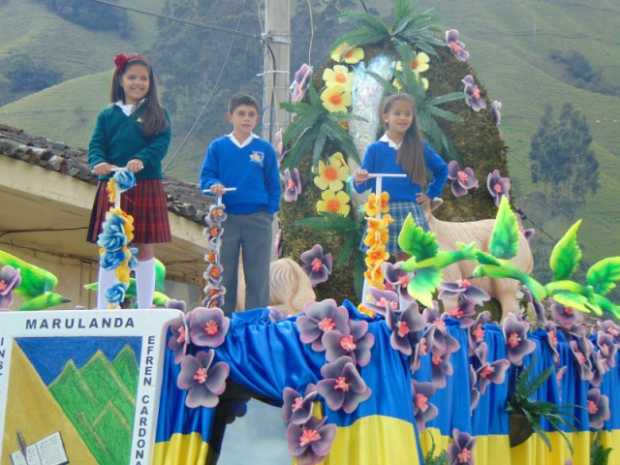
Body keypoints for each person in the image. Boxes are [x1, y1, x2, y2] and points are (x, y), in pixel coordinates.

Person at [87, 53, 171, 309]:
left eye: (144, 78)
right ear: (121, 80)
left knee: (145, 247)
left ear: (150, 83)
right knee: (110, 247)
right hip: (113, 187)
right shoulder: (107, 115)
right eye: (132, 77)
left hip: (145, 184)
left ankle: (144, 308)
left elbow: (161, 144)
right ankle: (104, 308)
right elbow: (96, 145)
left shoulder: (158, 114)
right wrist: (98, 162)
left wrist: (140, 159)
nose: (138, 83)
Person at [199, 94, 281, 313]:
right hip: (226, 219)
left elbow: (274, 183)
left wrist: (269, 211)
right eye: (241, 114)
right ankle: (223, 323)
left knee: (258, 275)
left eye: (252, 115)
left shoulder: (264, 149)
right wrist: (214, 184)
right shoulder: (218, 147)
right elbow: (206, 178)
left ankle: (255, 323)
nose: (246, 119)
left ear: (257, 119)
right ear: (230, 117)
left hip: (259, 219)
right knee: (224, 274)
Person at [353, 93, 448, 258]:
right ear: (386, 117)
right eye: (397, 113)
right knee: (380, 264)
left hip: (411, 212)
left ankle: (408, 284)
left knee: (412, 263)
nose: (403, 118)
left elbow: (442, 169)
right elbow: (362, 185)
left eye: (407, 114)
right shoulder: (375, 149)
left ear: (412, 118)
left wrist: (430, 195)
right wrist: (359, 179)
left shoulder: (419, 146)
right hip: (381, 214)